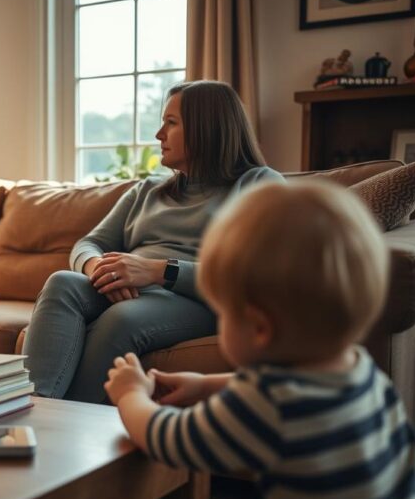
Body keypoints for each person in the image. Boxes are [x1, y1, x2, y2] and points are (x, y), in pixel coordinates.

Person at [105, 181, 415, 499]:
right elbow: (282, 389)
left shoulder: (266, 406)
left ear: (259, 328)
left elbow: (167, 437)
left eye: (222, 314)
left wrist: (130, 395)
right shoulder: (356, 369)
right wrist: (205, 386)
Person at [23, 80, 283, 402]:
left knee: (121, 320)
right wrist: (99, 269)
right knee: (61, 282)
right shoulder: (147, 190)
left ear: (207, 128)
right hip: (133, 286)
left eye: (171, 123)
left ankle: (69, 432)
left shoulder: (259, 184)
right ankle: (32, 414)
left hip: (200, 299)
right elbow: (87, 245)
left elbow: (256, 275)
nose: (159, 135)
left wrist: (158, 271)